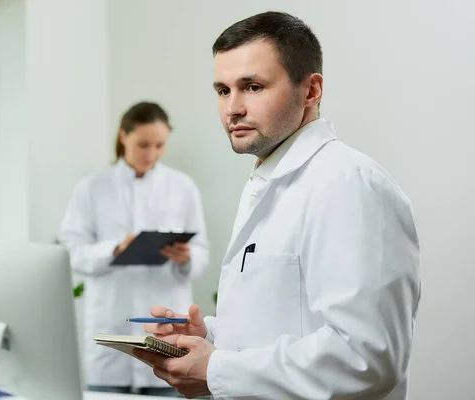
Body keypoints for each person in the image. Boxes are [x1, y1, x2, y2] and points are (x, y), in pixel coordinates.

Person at [135, 11, 421, 399]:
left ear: (311, 90)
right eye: (222, 90)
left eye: (252, 87)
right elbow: (283, 326)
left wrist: (216, 368)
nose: (232, 108)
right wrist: (207, 338)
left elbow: (366, 358)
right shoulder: (268, 183)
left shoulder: (349, 185)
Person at [58, 101, 210, 397]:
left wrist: (186, 257)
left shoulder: (183, 187)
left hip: (166, 333)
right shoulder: (92, 188)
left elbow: (202, 253)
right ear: (123, 136)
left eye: (159, 145)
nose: (151, 154)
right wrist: (114, 249)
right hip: (109, 332)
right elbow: (71, 251)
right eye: (143, 144)